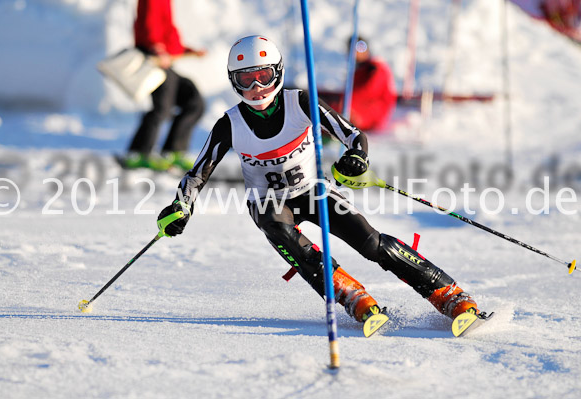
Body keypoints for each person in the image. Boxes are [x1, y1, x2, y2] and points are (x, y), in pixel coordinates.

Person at [156, 35, 480, 332]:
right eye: (245, 79)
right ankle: (352, 296)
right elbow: (198, 173)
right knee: (278, 227)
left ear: (277, 73)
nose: (256, 86)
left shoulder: (302, 102)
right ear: (234, 81)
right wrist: (180, 206)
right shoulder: (230, 123)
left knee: (370, 243)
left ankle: (447, 293)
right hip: (269, 202)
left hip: (314, 190)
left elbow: (353, 135)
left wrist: (357, 158)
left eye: (263, 75)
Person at [119, 0, 206, 172]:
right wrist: (156, 47)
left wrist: (187, 50)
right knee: (162, 109)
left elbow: (166, 32)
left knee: (194, 102)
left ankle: (173, 152)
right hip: (154, 61)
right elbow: (148, 24)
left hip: (165, 61)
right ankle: (138, 154)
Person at [321, 37, 397, 133]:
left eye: (362, 47)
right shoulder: (359, 70)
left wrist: (344, 102)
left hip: (371, 113)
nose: (357, 52)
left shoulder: (376, 67)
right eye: (353, 48)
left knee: (334, 113)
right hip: (359, 109)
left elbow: (369, 90)